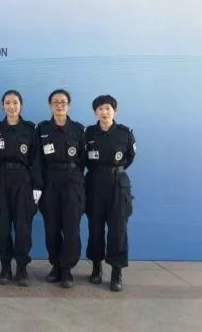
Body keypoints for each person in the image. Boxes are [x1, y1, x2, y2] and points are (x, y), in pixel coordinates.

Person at [0, 90, 42, 286]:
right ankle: (5, 267)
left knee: (23, 228)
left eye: (15, 102)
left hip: (23, 181)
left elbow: (36, 159)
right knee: (2, 227)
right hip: (1, 181)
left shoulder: (30, 129)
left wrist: (37, 186)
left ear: (21, 105)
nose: (12, 106)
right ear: (3, 106)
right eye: (8, 102)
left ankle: (22, 268)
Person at [85, 95, 137, 291]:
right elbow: (83, 158)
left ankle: (116, 272)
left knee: (118, 230)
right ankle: (96, 268)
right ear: (95, 112)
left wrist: (114, 171)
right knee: (95, 228)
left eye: (107, 108)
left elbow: (129, 157)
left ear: (115, 110)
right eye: (100, 109)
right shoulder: (88, 133)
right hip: (95, 183)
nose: (104, 112)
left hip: (117, 184)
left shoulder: (125, 133)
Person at [35, 89, 86, 288]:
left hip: (72, 183)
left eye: (63, 102)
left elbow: (83, 159)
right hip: (50, 182)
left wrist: (74, 176)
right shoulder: (42, 129)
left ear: (69, 105)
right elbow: (37, 160)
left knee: (71, 228)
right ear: (50, 105)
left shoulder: (78, 129)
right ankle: (55, 266)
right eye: (55, 102)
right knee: (52, 228)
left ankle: (67, 269)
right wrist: (38, 185)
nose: (59, 105)